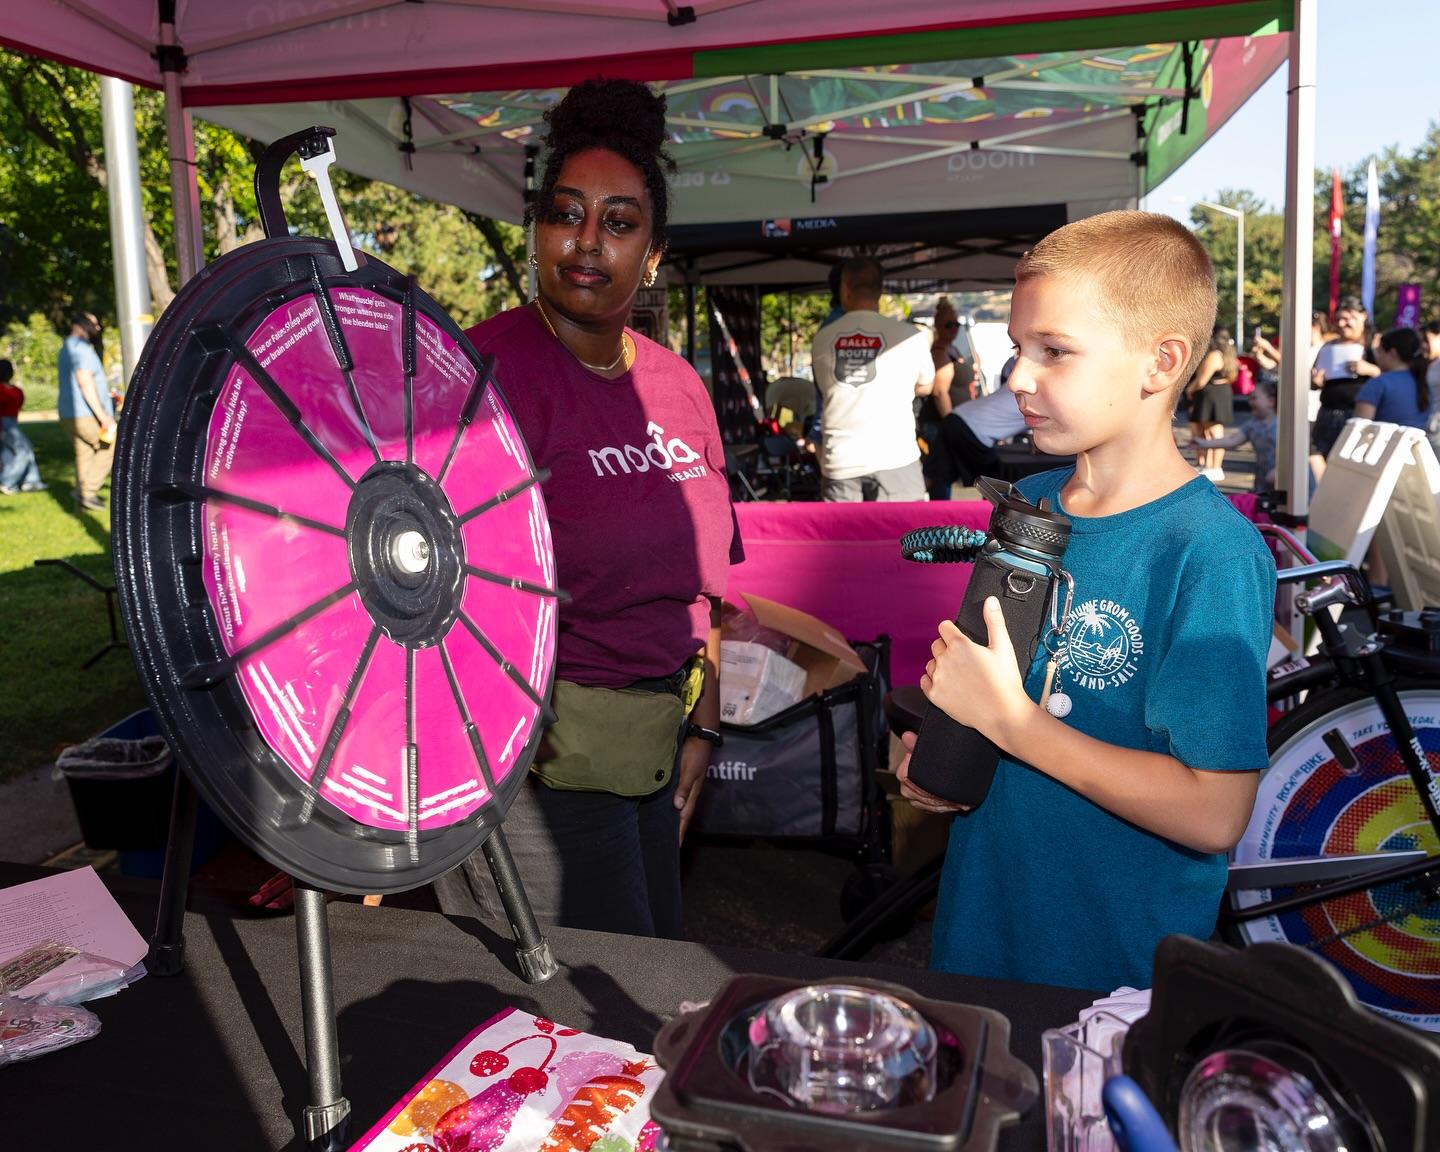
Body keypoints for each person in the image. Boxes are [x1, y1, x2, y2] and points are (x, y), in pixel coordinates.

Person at [898, 210, 1273, 991]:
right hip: (980, 934)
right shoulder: (1028, 505)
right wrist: (943, 761)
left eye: (1054, 351)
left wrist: (1011, 723)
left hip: (1112, 980)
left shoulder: (1210, 554)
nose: (1017, 379)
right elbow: (1000, 695)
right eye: (1017, 349)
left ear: (1160, 362)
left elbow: (1215, 812)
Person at [432, 79, 743, 939]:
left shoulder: (678, 387)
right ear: (536, 230)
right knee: (574, 1001)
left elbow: (708, 591)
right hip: (532, 769)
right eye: (566, 214)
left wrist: (704, 728)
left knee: (652, 970)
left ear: (654, 254)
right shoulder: (475, 377)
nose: (588, 241)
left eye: (620, 222)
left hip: (656, 749)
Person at [811, 256, 934, 501]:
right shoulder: (910, 336)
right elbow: (926, 385)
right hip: (896, 457)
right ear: (881, 290)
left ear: (845, 288)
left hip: (841, 461)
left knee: (843, 529)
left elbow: (826, 388)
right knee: (905, 527)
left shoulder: (822, 338)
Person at [916, 298, 977, 499]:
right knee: (941, 475)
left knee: (945, 475)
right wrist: (951, 424)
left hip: (947, 422)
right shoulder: (940, 352)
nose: (954, 329)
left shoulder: (952, 349)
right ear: (937, 327)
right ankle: (938, 513)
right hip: (940, 424)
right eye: (948, 325)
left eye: (956, 324)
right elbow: (940, 392)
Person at [57, 312, 115, 512]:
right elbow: (85, 383)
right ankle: (86, 492)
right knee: (111, 446)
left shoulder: (66, 347)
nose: (98, 328)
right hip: (85, 415)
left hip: (68, 414)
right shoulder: (81, 349)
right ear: (83, 324)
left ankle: (79, 506)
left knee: (85, 454)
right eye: (95, 324)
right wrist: (104, 417)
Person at [1311, 296, 1377, 461]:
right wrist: (1315, 381)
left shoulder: (1374, 346)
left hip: (1359, 416)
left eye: (1348, 319)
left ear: (1363, 316)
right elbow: (1315, 379)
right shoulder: (1328, 346)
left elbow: (1391, 377)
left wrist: (1370, 369)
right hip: (1327, 415)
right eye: (1338, 319)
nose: (1341, 324)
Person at [1191, 376, 1279, 493]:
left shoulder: (1280, 426)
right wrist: (1204, 443)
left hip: (1280, 481)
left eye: (1254, 398)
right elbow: (1232, 440)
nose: (1250, 402)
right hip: (1262, 481)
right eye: (1250, 398)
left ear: (1271, 401)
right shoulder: (1253, 425)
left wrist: (1279, 471)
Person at [938, 374, 1026, 486]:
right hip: (972, 430)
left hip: (957, 417)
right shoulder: (1031, 396)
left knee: (939, 475)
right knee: (989, 484)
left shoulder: (1019, 383)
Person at [1184, 329, 1237, 482]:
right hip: (1218, 393)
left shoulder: (1214, 355)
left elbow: (1201, 380)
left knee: (1214, 432)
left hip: (1212, 395)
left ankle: (1215, 467)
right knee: (1210, 431)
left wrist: (1189, 390)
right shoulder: (1227, 354)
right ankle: (1210, 466)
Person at [1354, 327, 1431, 428]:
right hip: (1417, 438)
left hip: (1385, 438)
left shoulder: (1378, 384)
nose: (1376, 356)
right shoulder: (1423, 382)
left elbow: (1359, 429)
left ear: (1392, 353)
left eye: (1379, 350)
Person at [0, 359, 46, 495]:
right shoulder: (10, 391)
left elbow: (18, 406)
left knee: (11, 453)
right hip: (4, 425)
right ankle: (7, 481)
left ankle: (31, 481)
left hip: (12, 423)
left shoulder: (16, 390)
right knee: (24, 450)